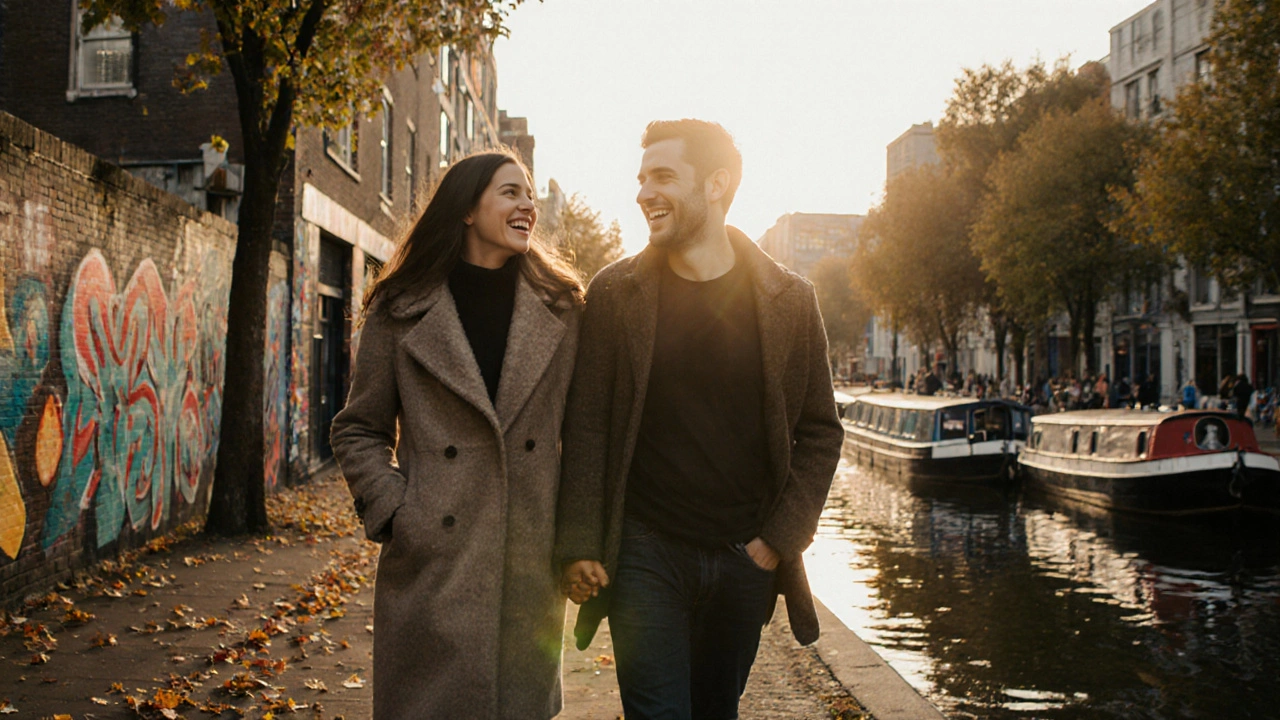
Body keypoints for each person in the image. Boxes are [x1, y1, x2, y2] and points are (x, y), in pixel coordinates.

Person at [554, 120, 844, 720]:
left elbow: (820, 431)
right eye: (640, 178)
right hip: (644, 554)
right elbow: (586, 427)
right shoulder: (615, 293)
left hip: (744, 561)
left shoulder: (790, 299)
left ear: (717, 184)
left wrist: (777, 541)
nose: (643, 193)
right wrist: (581, 541)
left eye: (663, 177)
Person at [329, 151, 585, 719]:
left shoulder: (562, 309)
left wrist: (576, 540)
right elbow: (359, 428)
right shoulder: (402, 308)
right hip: (435, 564)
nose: (528, 207)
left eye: (531, 197)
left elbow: (585, 435)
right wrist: (399, 512)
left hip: (527, 565)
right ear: (468, 208)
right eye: (511, 193)